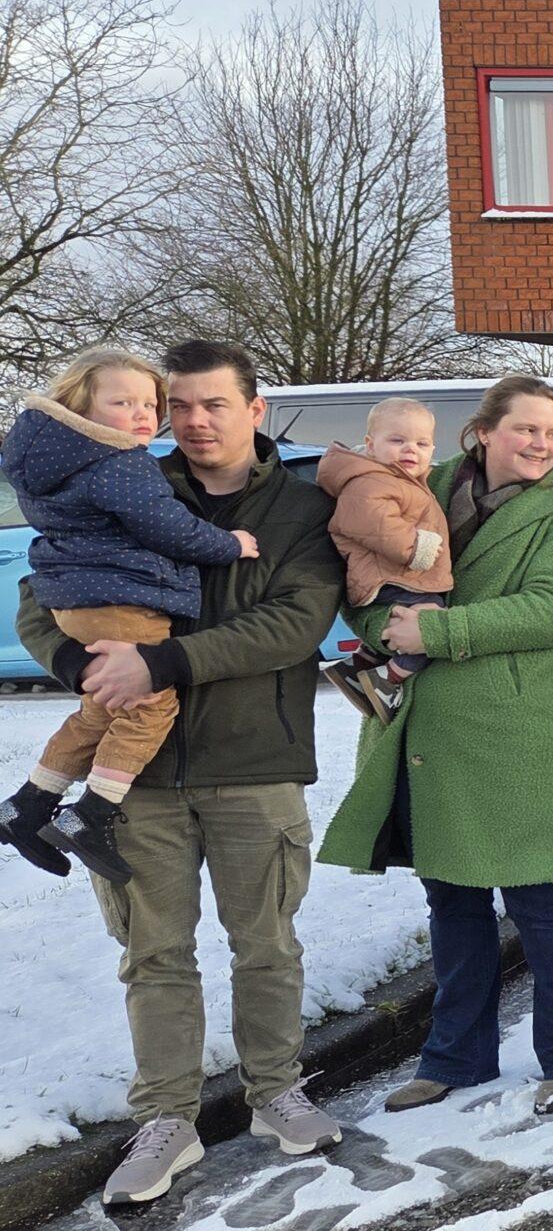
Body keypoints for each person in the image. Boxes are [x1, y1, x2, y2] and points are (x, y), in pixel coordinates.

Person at [9, 340, 345, 1208]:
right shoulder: (124, 479)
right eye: (180, 405)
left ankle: (275, 1089)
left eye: (213, 405)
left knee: (265, 943)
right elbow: (43, 597)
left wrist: (164, 666)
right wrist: (84, 662)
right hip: (139, 777)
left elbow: (295, 623)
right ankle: (166, 1118)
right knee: (152, 953)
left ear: (254, 410)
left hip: (254, 763)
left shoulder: (303, 511)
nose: (193, 421)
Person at [320, 376, 553, 1117]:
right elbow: (360, 560)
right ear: (483, 431)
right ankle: (456, 1057)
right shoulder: (421, 482)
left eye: (552, 433)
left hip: (522, 733)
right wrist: (379, 618)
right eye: (527, 429)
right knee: (451, 902)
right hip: (433, 729)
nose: (543, 444)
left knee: (542, 900)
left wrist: (436, 632)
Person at [2, 350, 257, 883]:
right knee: (149, 707)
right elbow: (169, 529)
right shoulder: (117, 462)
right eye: (123, 402)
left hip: (78, 600)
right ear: (81, 406)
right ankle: (90, 816)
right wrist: (228, 544)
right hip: (121, 600)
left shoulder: (54, 462)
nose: (143, 414)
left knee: (101, 712)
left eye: (150, 402)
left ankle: (26, 807)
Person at [313, 398, 455, 722]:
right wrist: (415, 547)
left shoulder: (400, 480)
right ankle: (386, 680)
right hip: (391, 576)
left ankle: (357, 666)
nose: (410, 450)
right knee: (432, 628)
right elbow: (373, 522)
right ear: (370, 445)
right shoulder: (371, 480)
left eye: (422, 443)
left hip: (393, 575)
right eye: (397, 440)